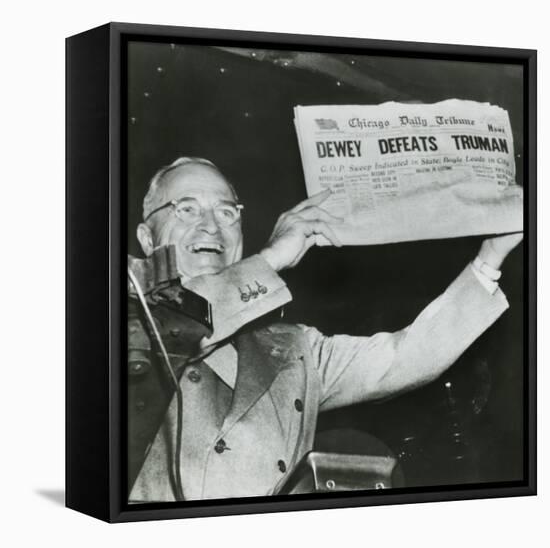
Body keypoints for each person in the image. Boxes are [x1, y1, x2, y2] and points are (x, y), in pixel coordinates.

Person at [129, 156, 522, 502]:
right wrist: (270, 260)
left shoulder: (290, 347)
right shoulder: (119, 309)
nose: (211, 226)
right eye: (186, 209)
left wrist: (491, 255)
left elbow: (404, 357)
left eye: (227, 212)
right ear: (147, 238)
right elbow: (173, 330)